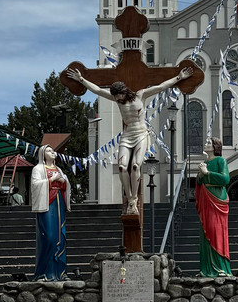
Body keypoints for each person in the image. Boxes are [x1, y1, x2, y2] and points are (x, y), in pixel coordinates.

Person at [65, 64, 192, 215]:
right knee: (121, 167)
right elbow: (98, 90)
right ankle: (129, 197)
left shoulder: (141, 95)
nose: (118, 99)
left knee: (136, 166)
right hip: (127, 136)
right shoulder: (117, 100)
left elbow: (161, 86)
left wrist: (179, 78)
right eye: (116, 96)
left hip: (141, 134)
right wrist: (81, 79)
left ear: (124, 91)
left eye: (119, 95)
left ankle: (133, 200)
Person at [30, 145, 70, 281]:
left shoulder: (58, 169)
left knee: (59, 236)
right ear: (42, 154)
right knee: (48, 236)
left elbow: (65, 184)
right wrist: (51, 180)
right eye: (48, 150)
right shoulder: (38, 169)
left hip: (58, 201)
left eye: (53, 151)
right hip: (46, 203)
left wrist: (62, 181)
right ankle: (44, 272)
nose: (52, 152)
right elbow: (35, 185)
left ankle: (60, 272)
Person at [196, 138, 232, 276]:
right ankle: (206, 269)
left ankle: (220, 268)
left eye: (209, 143)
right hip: (206, 198)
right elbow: (200, 182)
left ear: (215, 146)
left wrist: (207, 173)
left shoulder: (220, 161)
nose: (206, 144)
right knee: (205, 232)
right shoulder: (204, 163)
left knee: (215, 231)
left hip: (217, 199)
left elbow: (225, 179)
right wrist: (200, 176)